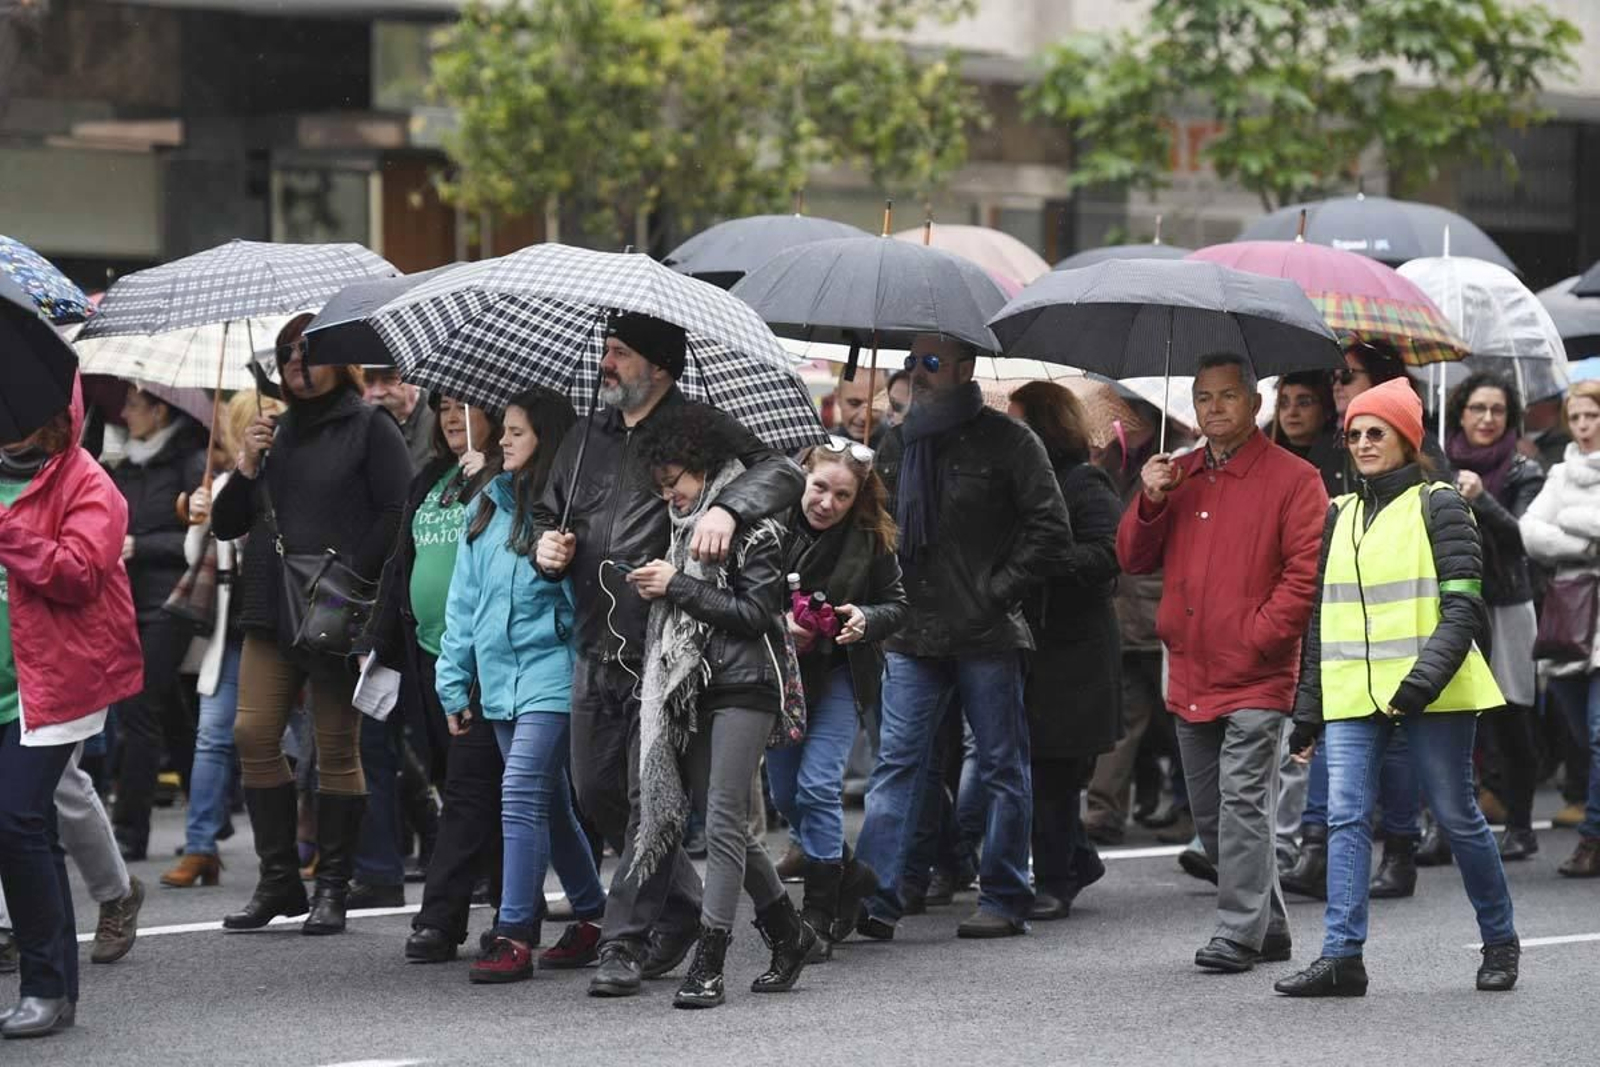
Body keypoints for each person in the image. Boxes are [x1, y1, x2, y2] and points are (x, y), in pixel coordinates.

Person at [532, 311, 804, 997]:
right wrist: (544, 550)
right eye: (605, 350)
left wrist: (729, 509)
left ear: (658, 364)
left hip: (670, 656)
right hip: (595, 642)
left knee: (647, 798)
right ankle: (683, 908)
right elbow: (545, 511)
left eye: (619, 352)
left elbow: (781, 471)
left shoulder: (696, 425)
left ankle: (624, 944)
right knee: (595, 793)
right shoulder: (583, 435)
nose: (605, 363)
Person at [1276, 377, 1519, 997]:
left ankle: (1499, 940)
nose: (1360, 443)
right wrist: (1308, 710)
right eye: (1354, 433)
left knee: (1458, 817)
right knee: (1346, 819)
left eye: (1375, 432)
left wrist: (1417, 686)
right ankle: (1342, 957)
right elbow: (1321, 619)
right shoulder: (1341, 513)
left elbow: (1465, 611)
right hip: (1356, 694)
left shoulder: (1441, 505)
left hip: (1433, 694)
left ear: (1407, 439)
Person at [854, 336, 1072, 941]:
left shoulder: (1010, 441)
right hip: (909, 628)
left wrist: (993, 593)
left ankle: (1003, 894)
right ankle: (876, 897)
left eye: (930, 363)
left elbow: (1051, 531)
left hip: (986, 630)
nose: (916, 374)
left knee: (1001, 764)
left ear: (964, 368)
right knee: (897, 764)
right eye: (910, 362)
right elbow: (873, 527)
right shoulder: (896, 440)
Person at [1117, 352, 1326, 973]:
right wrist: (1148, 500)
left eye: (1227, 396)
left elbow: (1303, 575)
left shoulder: (1294, 478)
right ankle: (1272, 925)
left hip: (1258, 671)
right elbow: (1131, 559)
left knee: (1241, 804)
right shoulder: (1175, 473)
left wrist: (1259, 637)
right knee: (1211, 813)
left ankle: (1237, 930)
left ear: (1254, 404)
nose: (1213, 408)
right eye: (1203, 397)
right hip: (1188, 667)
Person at [212, 314, 411, 936]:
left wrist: (352, 578)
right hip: (270, 603)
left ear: (339, 357)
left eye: (310, 351)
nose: (298, 364)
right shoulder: (273, 430)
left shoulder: (370, 426)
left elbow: (394, 513)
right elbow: (225, 524)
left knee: (335, 748)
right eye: (287, 354)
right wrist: (246, 464)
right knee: (251, 733)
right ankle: (278, 882)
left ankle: (331, 886)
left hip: (335, 604)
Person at [626, 405, 818, 1008]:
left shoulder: (751, 525)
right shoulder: (683, 530)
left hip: (747, 684)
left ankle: (710, 960)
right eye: (660, 487)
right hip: (700, 688)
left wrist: (677, 586)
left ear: (704, 468)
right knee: (726, 822)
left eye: (676, 481)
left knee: (725, 823)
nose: (671, 495)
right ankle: (790, 934)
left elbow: (755, 615)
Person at [434, 387, 607, 984]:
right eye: (503, 430)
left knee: (520, 793)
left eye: (516, 432)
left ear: (546, 441)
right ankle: (592, 917)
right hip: (499, 681)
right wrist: (454, 683)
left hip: (554, 676)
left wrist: (557, 562)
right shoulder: (484, 505)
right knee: (550, 806)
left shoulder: (570, 512)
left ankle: (513, 932)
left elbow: (589, 606)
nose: (501, 440)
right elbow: (464, 603)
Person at [0, 382, 144, 1037]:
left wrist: (5, 533)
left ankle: (47, 985)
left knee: (19, 819)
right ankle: (52, 982)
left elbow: (79, 571)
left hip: (53, 688)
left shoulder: (88, 482)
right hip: (7, 686)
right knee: (25, 830)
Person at [359, 395, 511, 963]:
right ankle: (511, 908)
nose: (453, 417)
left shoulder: (511, 475)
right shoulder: (429, 478)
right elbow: (403, 566)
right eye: (445, 406)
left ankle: (443, 919)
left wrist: (494, 480)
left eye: (468, 406)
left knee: (472, 789)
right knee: (467, 787)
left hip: (485, 658)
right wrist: (375, 642)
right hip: (429, 657)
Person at [769, 437, 907, 951]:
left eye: (843, 495)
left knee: (817, 786)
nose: (827, 502)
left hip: (841, 673)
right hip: (782, 674)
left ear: (858, 499)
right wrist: (780, 624)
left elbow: (897, 604)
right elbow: (742, 593)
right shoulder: (769, 524)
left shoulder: (871, 538)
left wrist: (864, 619)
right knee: (786, 795)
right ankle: (850, 876)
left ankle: (820, 915)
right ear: (802, 476)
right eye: (820, 487)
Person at [161, 389, 286, 888]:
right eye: (255, 422)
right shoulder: (227, 482)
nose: (267, 428)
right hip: (233, 626)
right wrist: (199, 516)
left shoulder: (294, 478)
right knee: (213, 736)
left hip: (289, 621)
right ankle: (200, 847)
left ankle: (307, 843)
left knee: (300, 739)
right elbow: (200, 554)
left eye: (274, 420)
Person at [1008, 382, 1122, 921]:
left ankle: (1056, 877)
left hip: (1073, 651)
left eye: (1020, 421)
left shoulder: (1083, 482)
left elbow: (1105, 556)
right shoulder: (1024, 483)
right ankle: (1075, 857)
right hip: (1035, 644)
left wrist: (1049, 558)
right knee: (1038, 765)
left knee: (1052, 767)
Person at [1085, 403, 1196, 846]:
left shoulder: (1175, 463)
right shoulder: (1113, 464)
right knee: (1125, 720)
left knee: (1179, 724)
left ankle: (1192, 809)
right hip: (1124, 618)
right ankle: (1103, 810)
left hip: (1161, 618)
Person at [1445, 374, 1544, 861]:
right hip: (1453, 606)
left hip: (1506, 605)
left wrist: (1482, 499)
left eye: (1497, 410)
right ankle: (1447, 825)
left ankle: (1520, 824)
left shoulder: (1525, 470)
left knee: (1511, 717)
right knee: (1452, 715)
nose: (1487, 419)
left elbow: (1524, 540)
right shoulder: (1438, 465)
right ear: (1460, 412)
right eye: (1477, 408)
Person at [107, 385, 208, 861]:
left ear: (159, 410)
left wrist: (140, 547)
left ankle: (130, 830)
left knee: (138, 705)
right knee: (167, 709)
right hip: (127, 601)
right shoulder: (122, 465)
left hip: (172, 602)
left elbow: (200, 538)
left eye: (133, 405)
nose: (125, 413)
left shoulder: (190, 462)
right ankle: (212, 810)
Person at [1519, 378, 1600, 878]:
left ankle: (1591, 838)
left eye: (1592, 417)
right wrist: (1586, 543)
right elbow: (1530, 531)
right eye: (1576, 418)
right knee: (1578, 733)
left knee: (1597, 735)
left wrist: (1567, 521)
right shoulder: (1561, 472)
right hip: (1570, 618)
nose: (1584, 427)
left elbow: (1553, 525)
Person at [1271, 371, 1347, 497]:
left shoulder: (1341, 458)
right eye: (1283, 404)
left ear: (1327, 409)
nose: (1292, 412)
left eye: (1304, 403)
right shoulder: (1266, 457)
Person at [365, 366, 436, 473]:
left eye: (389, 379)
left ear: (414, 380)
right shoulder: (358, 424)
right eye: (368, 381)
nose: (377, 392)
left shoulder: (438, 421)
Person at [831, 369, 889, 448]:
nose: (864, 416)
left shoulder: (903, 451)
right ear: (838, 397)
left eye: (874, 405)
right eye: (854, 403)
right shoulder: (820, 450)